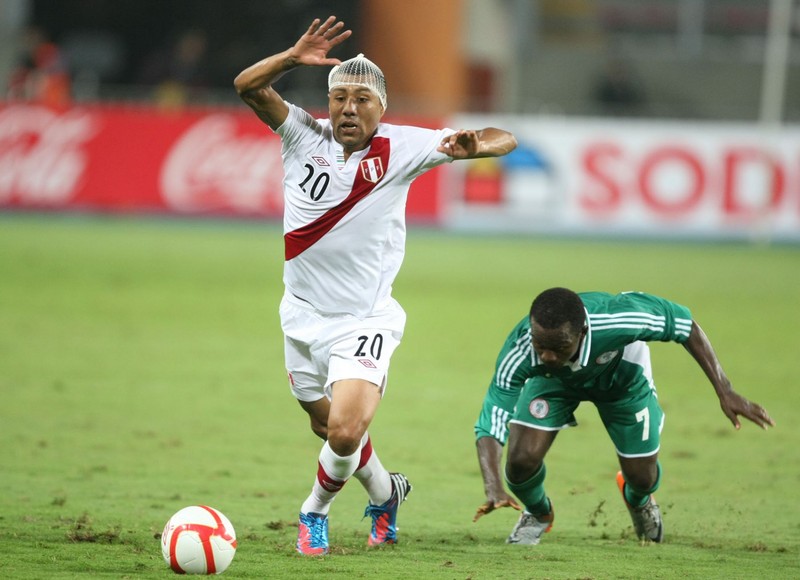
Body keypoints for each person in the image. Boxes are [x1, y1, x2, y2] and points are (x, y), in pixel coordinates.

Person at [233, 16, 517, 556]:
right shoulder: (300, 133)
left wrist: (471, 144)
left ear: (381, 108)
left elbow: (504, 138)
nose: (347, 108)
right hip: (300, 317)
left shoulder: (405, 146)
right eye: (339, 97)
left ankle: (312, 513)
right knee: (333, 434)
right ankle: (387, 495)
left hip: (365, 320)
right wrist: (293, 57)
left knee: (343, 433)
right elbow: (247, 86)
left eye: (361, 99)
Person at [473, 287, 775, 545]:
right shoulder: (524, 350)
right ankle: (538, 513)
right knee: (520, 461)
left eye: (559, 346)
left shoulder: (618, 319)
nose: (548, 355)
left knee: (642, 477)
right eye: (541, 346)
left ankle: (639, 500)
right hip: (554, 382)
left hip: (622, 381)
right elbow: (492, 418)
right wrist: (493, 487)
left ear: (583, 332)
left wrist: (725, 390)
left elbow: (684, 324)